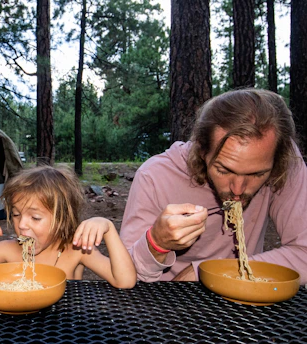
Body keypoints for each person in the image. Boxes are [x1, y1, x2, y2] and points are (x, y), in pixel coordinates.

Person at [120, 88, 307, 284]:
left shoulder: (283, 162)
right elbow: (126, 276)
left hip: (242, 302)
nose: (238, 189)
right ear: (201, 149)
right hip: (165, 303)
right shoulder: (155, 176)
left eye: (257, 174)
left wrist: (206, 273)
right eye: (224, 170)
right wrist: (156, 244)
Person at [0, 165, 136, 288]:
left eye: (35, 217)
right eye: (16, 214)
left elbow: (125, 281)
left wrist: (109, 230)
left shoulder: (77, 251)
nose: (22, 225)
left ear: (62, 219)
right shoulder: (7, 250)